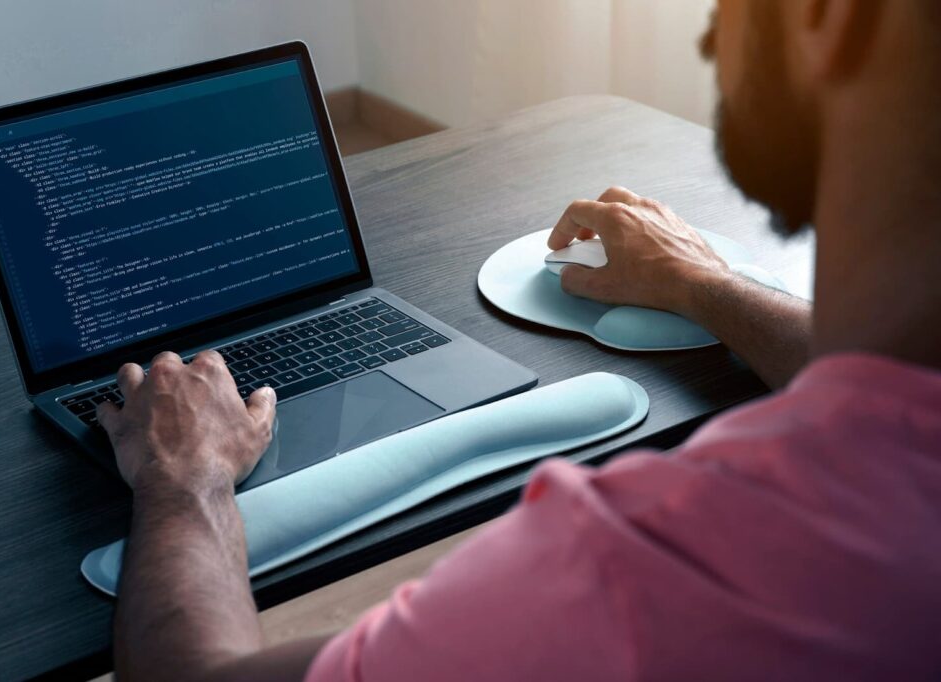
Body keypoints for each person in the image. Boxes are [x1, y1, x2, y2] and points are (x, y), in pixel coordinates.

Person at [97, 1, 941, 679]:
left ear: (829, 17)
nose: (716, 28)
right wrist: (697, 283)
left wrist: (184, 476)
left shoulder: (640, 577)